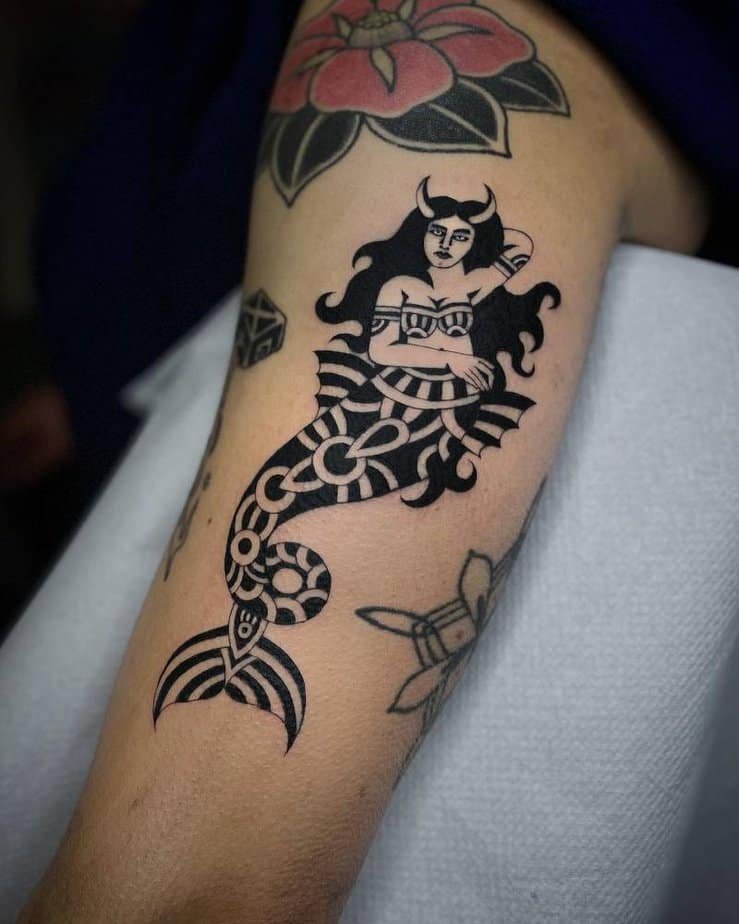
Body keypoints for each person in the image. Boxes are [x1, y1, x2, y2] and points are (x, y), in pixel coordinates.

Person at [20, 1, 708, 921]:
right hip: (156, 465)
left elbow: (198, 887)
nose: (449, 243)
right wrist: (86, 398)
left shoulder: (426, 66)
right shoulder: (396, 264)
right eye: (439, 234)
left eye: (461, 235)